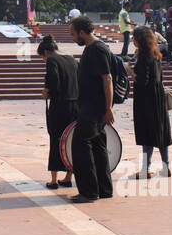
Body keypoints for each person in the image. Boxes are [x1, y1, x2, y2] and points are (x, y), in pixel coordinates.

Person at [69, 16, 115, 203]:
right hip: (91, 105)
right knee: (98, 146)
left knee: (80, 146)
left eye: (73, 34)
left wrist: (109, 108)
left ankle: (88, 191)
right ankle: (104, 189)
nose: (72, 38)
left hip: (93, 107)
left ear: (82, 32)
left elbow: (107, 79)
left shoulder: (97, 49)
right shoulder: (91, 49)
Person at [130, 25, 172, 178]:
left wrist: (130, 72)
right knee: (161, 132)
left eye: (134, 38)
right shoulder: (155, 55)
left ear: (139, 40)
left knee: (146, 133)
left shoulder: (143, 57)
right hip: (158, 97)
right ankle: (166, 167)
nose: (133, 41)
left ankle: (145, 169)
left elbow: (142, 81)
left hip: (146, 99)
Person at [38, 35, 76, 190]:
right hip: (75, 106)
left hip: (60, 106)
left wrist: (46, 92)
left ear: (47, 52)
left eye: (42, 57)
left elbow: (53, 81)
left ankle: (53, 180)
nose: (44, 61)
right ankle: (68, 177)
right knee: (71, 142)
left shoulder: (52, 60)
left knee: (56, 140)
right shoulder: (72, 59)